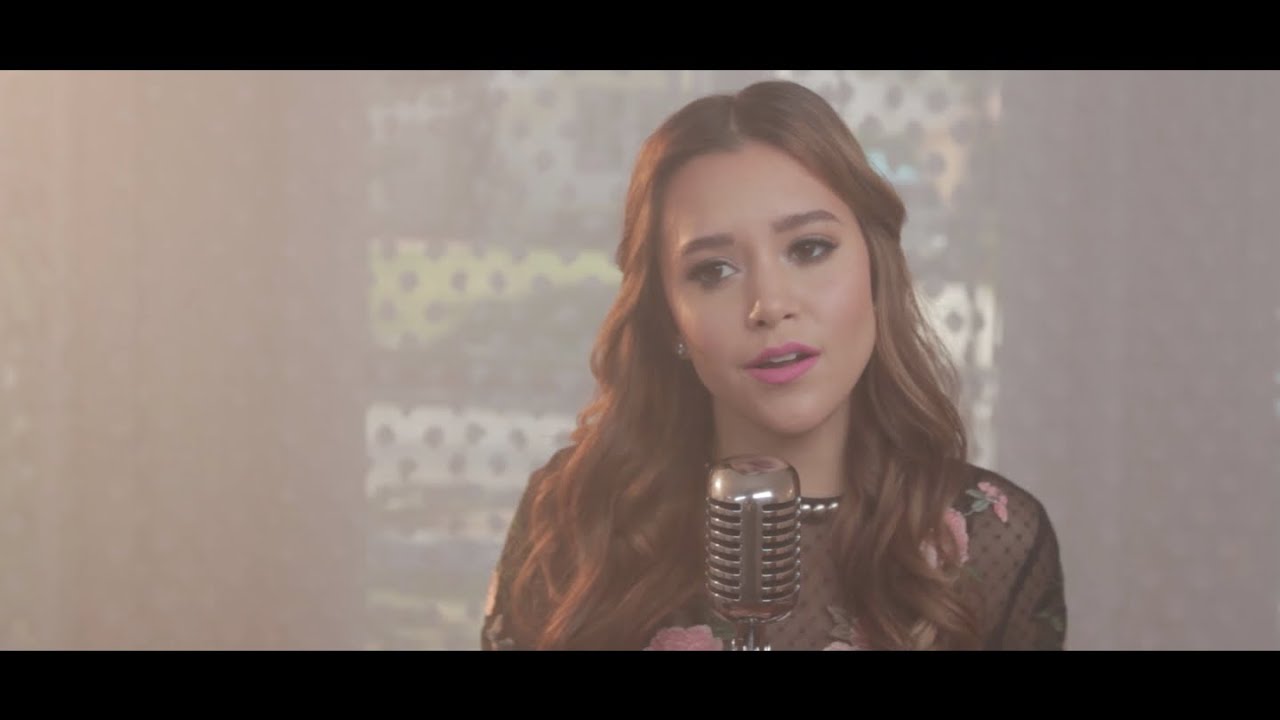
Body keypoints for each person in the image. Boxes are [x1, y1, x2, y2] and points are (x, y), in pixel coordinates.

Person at [480, 79, 1067, 650]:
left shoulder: (994, 537)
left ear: (877, 270)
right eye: (714, 270)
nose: (769, 305)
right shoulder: (572, 517)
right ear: (669, 318)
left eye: (809, 248)